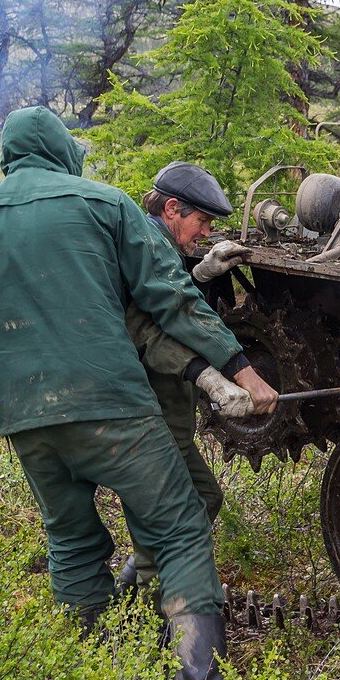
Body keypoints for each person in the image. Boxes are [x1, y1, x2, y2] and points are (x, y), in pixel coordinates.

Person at [0, 106, 276, 680]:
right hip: (113, 408)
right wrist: (240, 370)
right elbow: (168, 300)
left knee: (71, 539)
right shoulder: (105, 204)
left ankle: (93, 676)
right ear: (63, 152)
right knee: (178, 526)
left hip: (23, 419)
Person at [117, 161, 256, 597]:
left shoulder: (154, 241)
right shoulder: (143, 243)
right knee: (166, 514)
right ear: (172, 208)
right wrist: (214, 376)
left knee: (204, 500)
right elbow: (148, 322)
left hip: (167, 413)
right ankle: (156, 610)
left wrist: (201, 273)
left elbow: (160, 293)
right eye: (202, 221)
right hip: (147, 410)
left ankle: (131, 593)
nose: (206, 233)